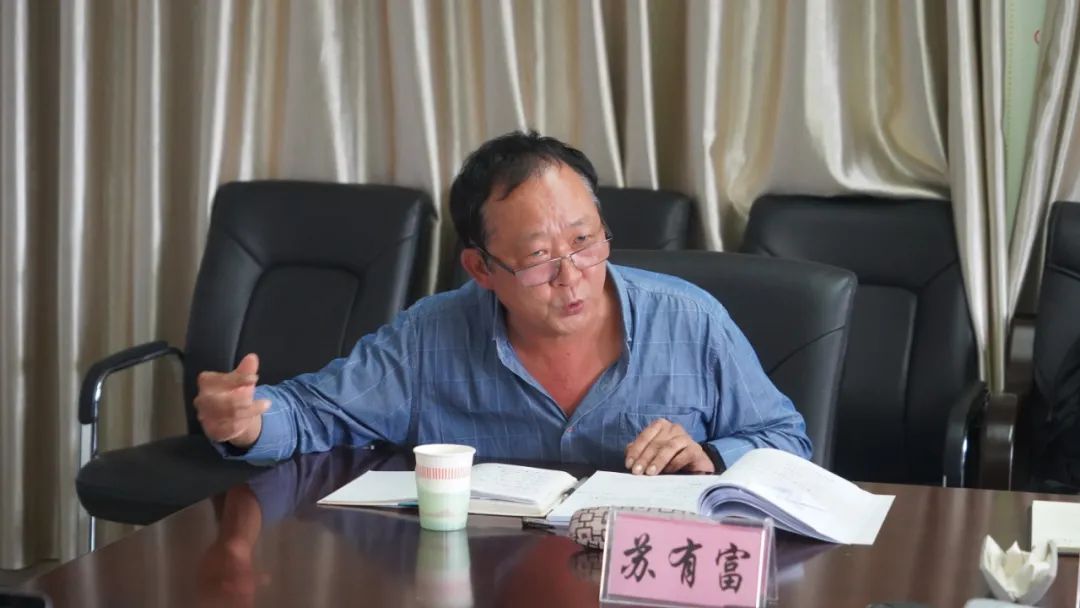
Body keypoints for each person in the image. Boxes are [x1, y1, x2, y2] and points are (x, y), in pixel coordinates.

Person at [197, 131, 811, 474]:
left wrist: (711, 454)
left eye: (584, 241)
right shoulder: (429, 336)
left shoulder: (692, 321)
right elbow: (313, 412)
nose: (571, 276)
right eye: (538, 257)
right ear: (481, 268)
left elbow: (788, 440)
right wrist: (249, 422)